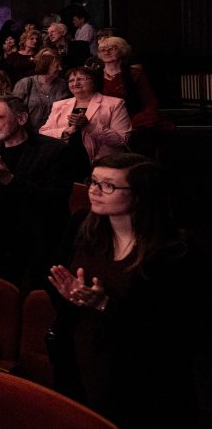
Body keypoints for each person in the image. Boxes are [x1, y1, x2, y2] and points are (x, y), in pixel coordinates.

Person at [48, 154, 209, 427]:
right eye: (93, 181)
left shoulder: (175, 250)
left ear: (140, 196)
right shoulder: (81, 226)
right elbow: (58, 282)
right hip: (81, 357)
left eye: (108, 185)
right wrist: (69, 295)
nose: (94, 191)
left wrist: (104, 305)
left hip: (143, 377)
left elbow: (182, 331)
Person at [0, 96, 73, 290]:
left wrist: (10, 180)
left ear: (22, 119)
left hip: (40, 243)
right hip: (0, 241)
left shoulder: (54, 150)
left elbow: (55, 201)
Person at [41, 67, 131, 170]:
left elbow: (122, 140)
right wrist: (66, 131)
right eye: (71, 80)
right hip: (63, 163)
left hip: (101, 165)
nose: (75, 83)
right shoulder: (59, 105)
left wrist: (90, 126)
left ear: (94, 81)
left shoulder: (115, 104)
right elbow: (43, 132)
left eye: (81, 79)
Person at [13, 48, 70, 130]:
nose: (60, 69)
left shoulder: (63, 84)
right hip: (30, 134)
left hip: (54, 134)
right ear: (46, 66)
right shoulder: (25, 83)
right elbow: (14, 110)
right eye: (57, 66)